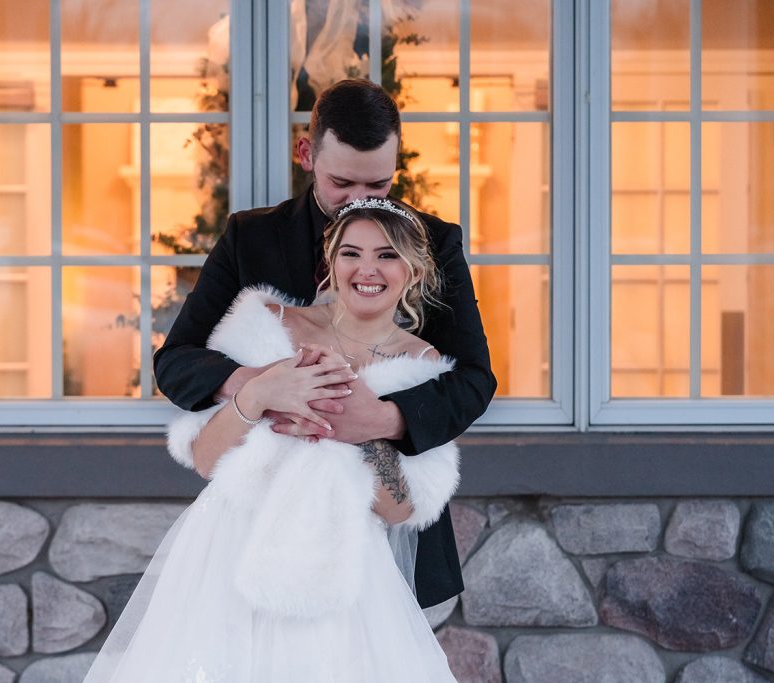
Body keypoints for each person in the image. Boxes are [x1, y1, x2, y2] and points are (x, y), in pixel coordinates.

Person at [84, 198, 461, 682]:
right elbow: (203, 458)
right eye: (351, 253)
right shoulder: (268, 324)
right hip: (228, 549)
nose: (367, 269)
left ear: (413, 270)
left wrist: (357, 426)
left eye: (387, 255)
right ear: (330, 261)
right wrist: (260, 391)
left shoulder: (422, 365)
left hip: (339, 564)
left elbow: (402, 508)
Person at [154, 78, 496, 609]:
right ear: (305, 153)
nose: (359, 202)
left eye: (379, 187)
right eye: (342, 183)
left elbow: (474, 378)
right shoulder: (251, 237)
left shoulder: (435, 243)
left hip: (385, 533)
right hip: (259, 526)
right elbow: (176, 360)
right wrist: (269, 387)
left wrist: (378, 421)